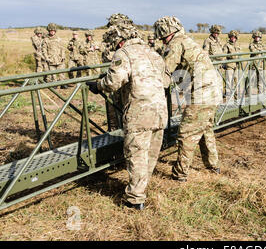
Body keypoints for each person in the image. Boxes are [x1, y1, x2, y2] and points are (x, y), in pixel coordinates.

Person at [87, 15, 168, 210]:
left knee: (137, 154)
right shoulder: (154, 53)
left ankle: (135, 199)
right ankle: (142, 186)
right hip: (160, 111)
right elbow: (166, 81)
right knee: (150, 154)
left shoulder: (124, 54)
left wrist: (98, 85)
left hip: (140, 113)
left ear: (119, 40)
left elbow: (114, 81)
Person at [154, 16, 222, 182]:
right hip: (214, 90)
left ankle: (180, 174)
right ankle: (213, 166)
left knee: (186, 134)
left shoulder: (176, 43)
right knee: (205, 129)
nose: (162, 42)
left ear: (167, 33)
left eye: (163, 38)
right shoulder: (187, 40)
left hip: (202, 93)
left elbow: (165, 72)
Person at [41, 23, 67, 87]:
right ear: (49, 31)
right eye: (51, 31)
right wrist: (47, 58)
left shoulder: (59, 39)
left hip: (59, 58)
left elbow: (62, 48)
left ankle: (62, 83)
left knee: (62, 72)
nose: (52, 32)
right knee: (53, 73)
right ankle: (54, 84)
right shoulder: (46, 40)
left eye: (53, 31)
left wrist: (63, 56)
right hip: (51, 59)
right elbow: (44, 50)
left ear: (55, 31)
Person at [223, 30, 241, 99]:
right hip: (229, 65)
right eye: (231, 37)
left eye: (234, 37)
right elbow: (224, 55)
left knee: (236, 80)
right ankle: (228, 96)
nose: (233, 38)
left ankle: (236, 95)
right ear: (229, 37)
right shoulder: (226, 45)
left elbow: (240, 54)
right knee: (229, 81)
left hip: (236, 65)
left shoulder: (237, 45)